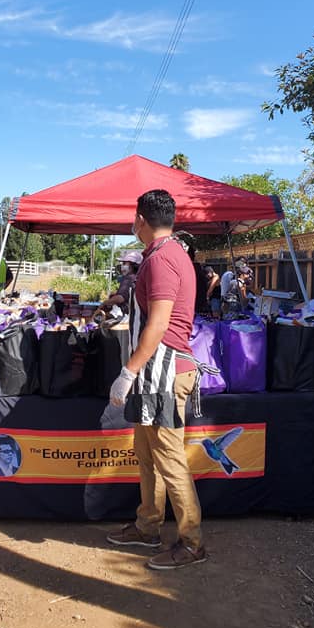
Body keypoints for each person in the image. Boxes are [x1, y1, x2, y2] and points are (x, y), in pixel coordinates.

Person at [106, 189, 207, 570]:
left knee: (169, 457)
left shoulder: (163, 259)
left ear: (141, 220)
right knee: (147, 454)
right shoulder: (164, 254)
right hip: (153, 372)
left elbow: (160, 324)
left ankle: (192, 543)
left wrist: (128, 371)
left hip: (164, 372)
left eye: (134, 219)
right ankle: (148, 525)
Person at [96, 250, 142, 317]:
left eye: (124, 263)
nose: (122, 266)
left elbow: (120, 298)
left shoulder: (129, 278)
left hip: (124, 315)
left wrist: (105, 303)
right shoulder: (137, 277)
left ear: (133, 265)